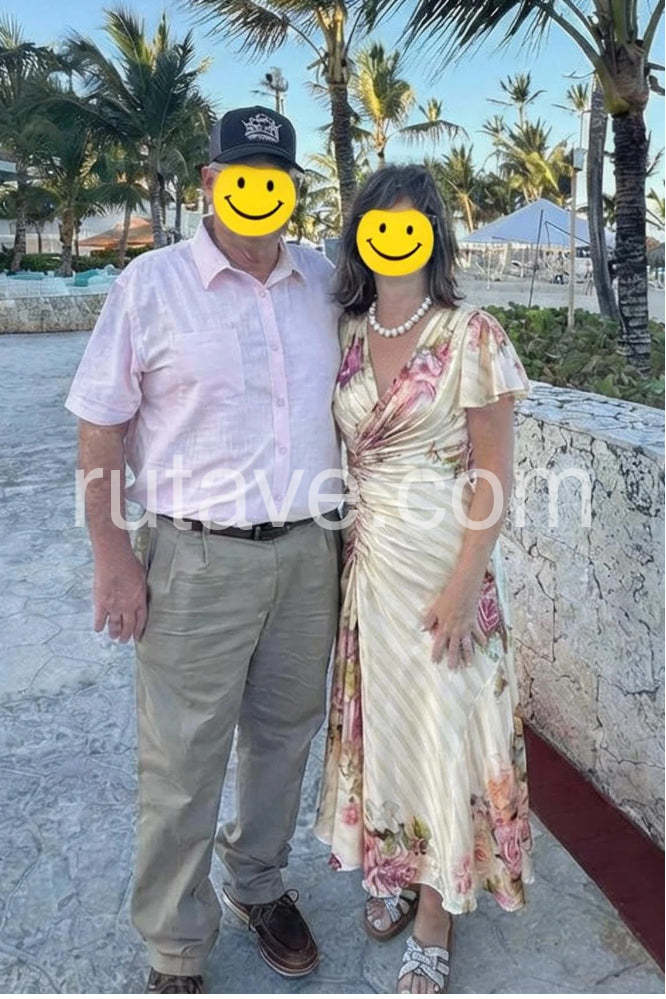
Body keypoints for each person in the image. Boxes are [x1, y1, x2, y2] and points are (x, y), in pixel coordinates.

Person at [64, 106, 342, 994]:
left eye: (276, 176)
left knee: (284, 736)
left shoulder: (325, 281)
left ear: (291, 188)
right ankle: (176, 943)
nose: (260, 189)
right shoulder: (150, 286)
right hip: (195, 558)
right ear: (211, 182)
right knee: (182, 756)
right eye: (242, 174)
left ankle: (257, 883)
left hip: (309, 553)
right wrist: (112, 555)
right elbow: (100, 425)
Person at [314, 164, 535, 994]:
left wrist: (463, 587)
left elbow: (493, 475)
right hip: (372, 567)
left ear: (433, 237)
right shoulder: (345, 332)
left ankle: (437, 914)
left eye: (412, 224)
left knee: (445, 735)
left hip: (447, 567)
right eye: (379, 223)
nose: (394, 238)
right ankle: (398, 864)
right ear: (360, 237)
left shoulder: (472, 334)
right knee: (389, 732)